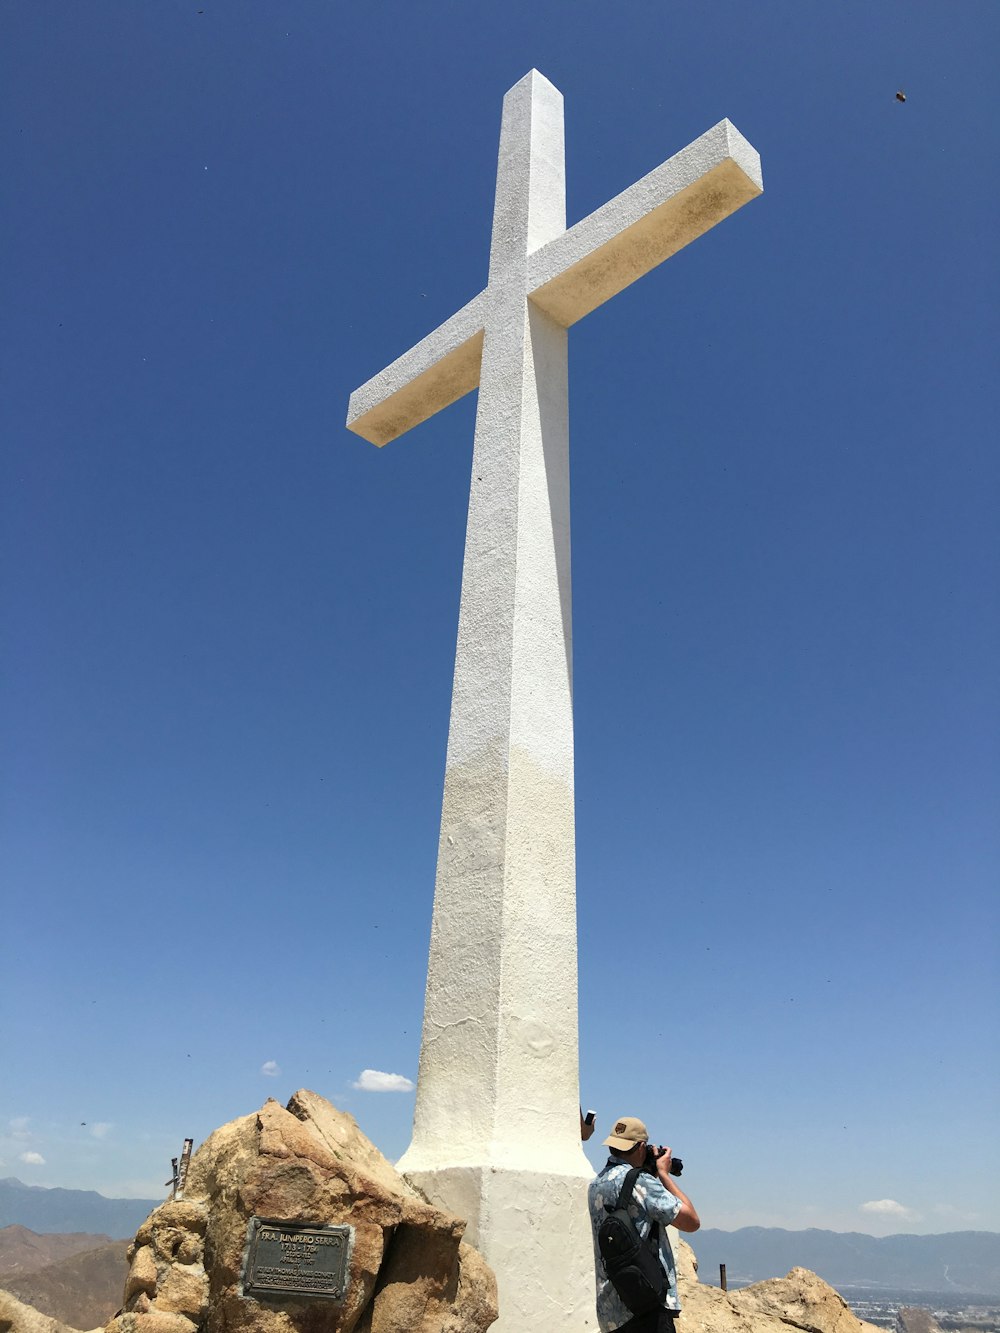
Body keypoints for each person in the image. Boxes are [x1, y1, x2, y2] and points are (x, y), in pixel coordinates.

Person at [588, 1115, 700, 1333]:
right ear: (641, 1146)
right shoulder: (639, 1181)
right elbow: (691, 1221)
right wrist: (664, 1175)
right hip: (645, 1307)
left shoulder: (596, 1184)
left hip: (611, 1309)